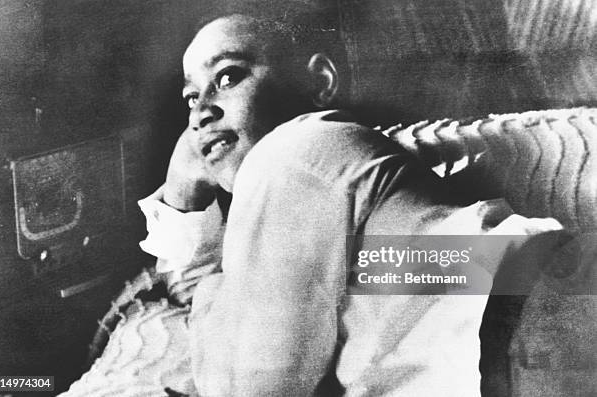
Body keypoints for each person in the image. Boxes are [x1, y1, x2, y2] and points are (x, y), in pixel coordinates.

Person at [138, 8, 564, 397]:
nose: (200, 114)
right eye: (191, 98)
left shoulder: (296, 148)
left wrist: (181, 197)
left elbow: (247, 387)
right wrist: (184, 208)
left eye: (228, 77)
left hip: (539, 324)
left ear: (319, 83)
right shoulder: (303, 194)